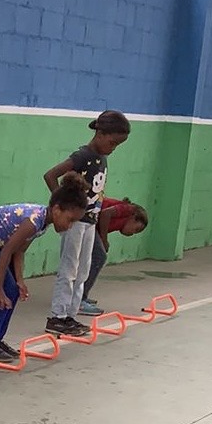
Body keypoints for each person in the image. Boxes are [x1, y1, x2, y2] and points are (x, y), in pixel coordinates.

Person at [0, 172, 91, 361]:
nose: (70, 226)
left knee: (14, 289)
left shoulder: (42, 223)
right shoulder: (33, 222)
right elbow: (7, 251)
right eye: (70, 219)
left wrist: (20, 280)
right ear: (57, 209)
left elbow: (19, 251)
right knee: (7, 290)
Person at [42, 110, 130, 337]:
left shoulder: (102, 158)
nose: (114, 148)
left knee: (82, 271)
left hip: (90, 221)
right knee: (69, 269)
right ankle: (57, 316)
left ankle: (71, 315)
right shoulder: (83, 155)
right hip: (76, 222)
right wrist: (63, 206)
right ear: (100, 134)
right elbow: (50, 175)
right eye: (112, 142)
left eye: (118, 145)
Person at [78, 197, 149, 316]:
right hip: (87, 221)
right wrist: (104, 240)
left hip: (90, 224)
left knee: (90, 259)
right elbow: (105, 214)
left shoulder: (121, 222)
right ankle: (80, 300)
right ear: (133, 218)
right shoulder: (129, 210)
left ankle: (78, 295)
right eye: (135, 229)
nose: (132, 233)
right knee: (99, 257)